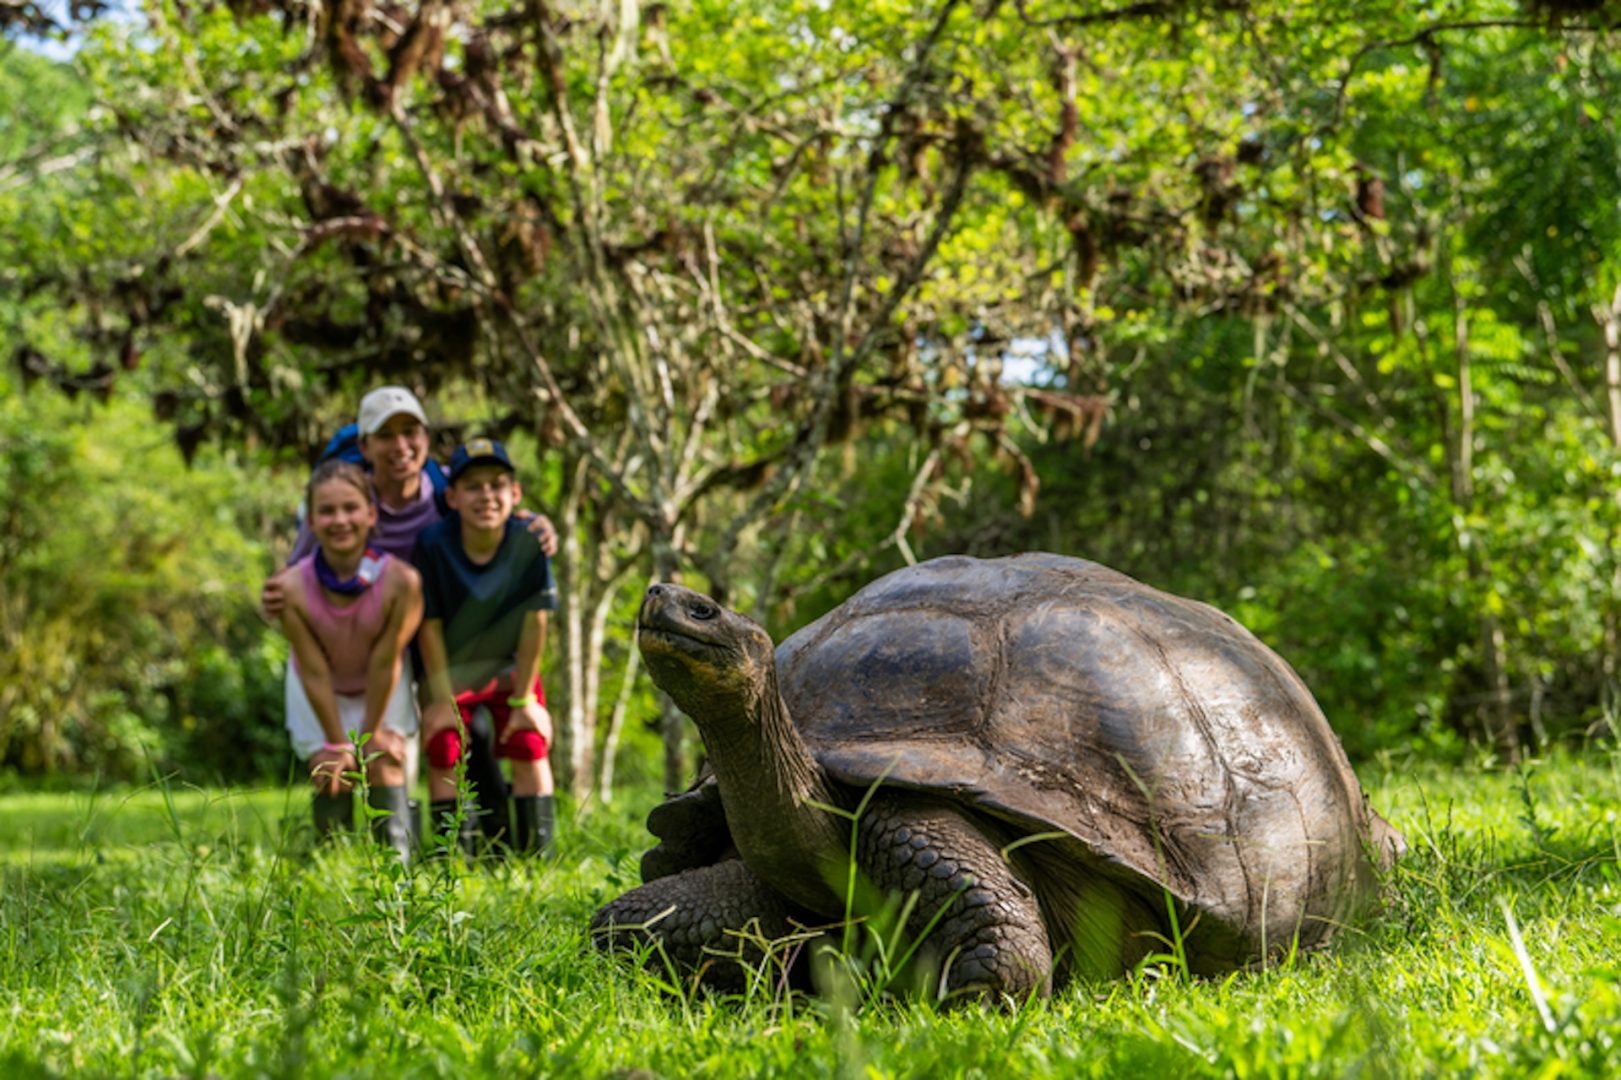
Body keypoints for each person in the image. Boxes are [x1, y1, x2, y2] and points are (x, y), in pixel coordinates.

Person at [262, 386, 558, 848]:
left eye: (410, 432)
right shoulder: (345, 499)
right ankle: (345, 853)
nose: (400, 447)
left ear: (424, 437)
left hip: (427, 640)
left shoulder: (442, 489)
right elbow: (298, 572)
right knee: (427, 743)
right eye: (386, 436)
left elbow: (491, 504)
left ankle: (486, 846)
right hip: (373, 640)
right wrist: (277, 596)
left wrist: (534, 524)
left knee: (461, 740)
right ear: (365, 447)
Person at [414, 437, 557, 856]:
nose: (486, 496)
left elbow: (536, 623)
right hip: (450, 671)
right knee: (443, 741)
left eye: (497, 485)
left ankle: (537, 855)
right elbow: (429, 627)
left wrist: (525, 699)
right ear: (452, 497)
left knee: (530, 738)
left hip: (511, 667)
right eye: (473, 487)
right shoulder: (433, 545)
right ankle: (453, 857)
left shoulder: (529, 543)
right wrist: (440, 701)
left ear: (515, 494)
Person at [280, 459, 424, 860]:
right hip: (319, 686)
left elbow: (386, 659)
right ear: (311, 520)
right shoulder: (291, 589)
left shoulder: (402, 582)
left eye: (350, 508)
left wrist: (369, 735)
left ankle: (398, 867)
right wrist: (335, 742)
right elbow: (312, 667)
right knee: (329, 767)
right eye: (327, 511)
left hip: (383, 683)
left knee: (384, 760)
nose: (339, 520)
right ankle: (333, 862)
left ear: (371, 514)